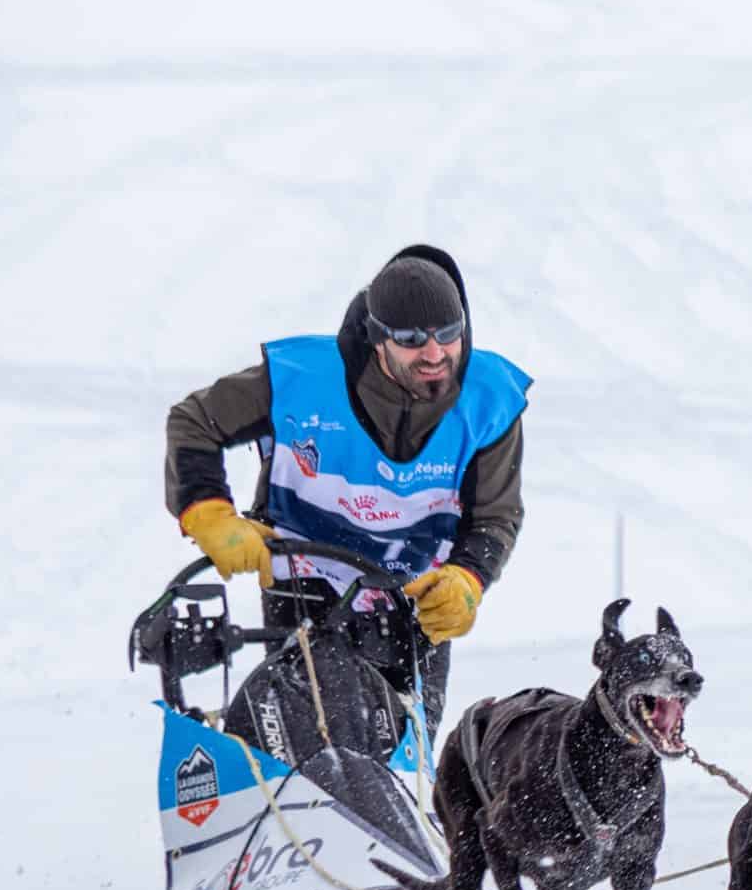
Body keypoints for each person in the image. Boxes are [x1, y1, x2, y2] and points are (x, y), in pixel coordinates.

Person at [164, 245, 529, 737]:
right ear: (378, 339)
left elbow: (494, 517)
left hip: (417, 596)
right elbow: (194, 422)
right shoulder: (304, 379)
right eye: (411, 339)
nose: (435, 353)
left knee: (402, 753)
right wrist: (209, 512)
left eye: (449, 334)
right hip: (306, 575)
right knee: (314, 737)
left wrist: (468, 579)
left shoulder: (489, 401)